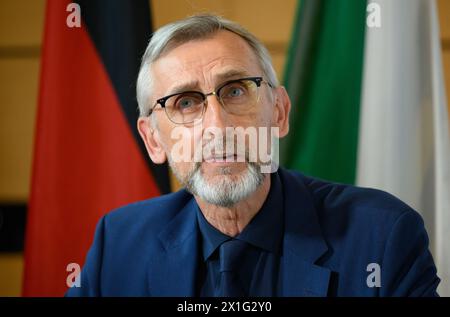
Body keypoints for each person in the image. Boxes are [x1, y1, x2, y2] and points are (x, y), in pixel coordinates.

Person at [66, 14, 440, 297]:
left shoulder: (382, 237)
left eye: (236, 91)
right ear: (153, 141)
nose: (217, 125)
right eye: (185, 102)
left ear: (278, 112)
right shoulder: (119, 243)